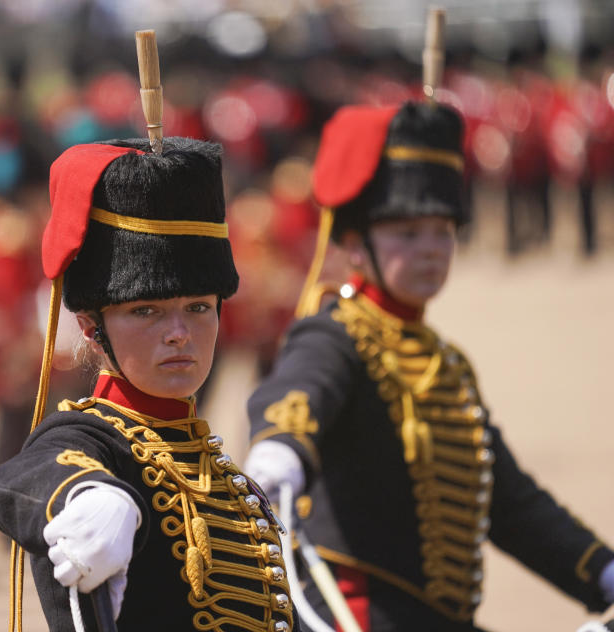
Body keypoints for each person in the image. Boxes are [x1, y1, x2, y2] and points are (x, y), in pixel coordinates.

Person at [245, 100, 614, 632]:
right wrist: (281, 446)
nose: (431, 250)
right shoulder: (335, 334)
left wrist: (599, 571)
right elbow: (299, 390)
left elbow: (508, 502)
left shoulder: (447, 365)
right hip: (355, 618)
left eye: (443, 230)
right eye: (407, 232)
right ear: (354, 242)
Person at [0, 137, 297, 632]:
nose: (178, 332)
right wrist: (86, 494)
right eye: (145, 311)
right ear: (91, 327)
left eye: (198, 308)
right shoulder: (94, 443)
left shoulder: (224, 473)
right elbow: (26, 473)